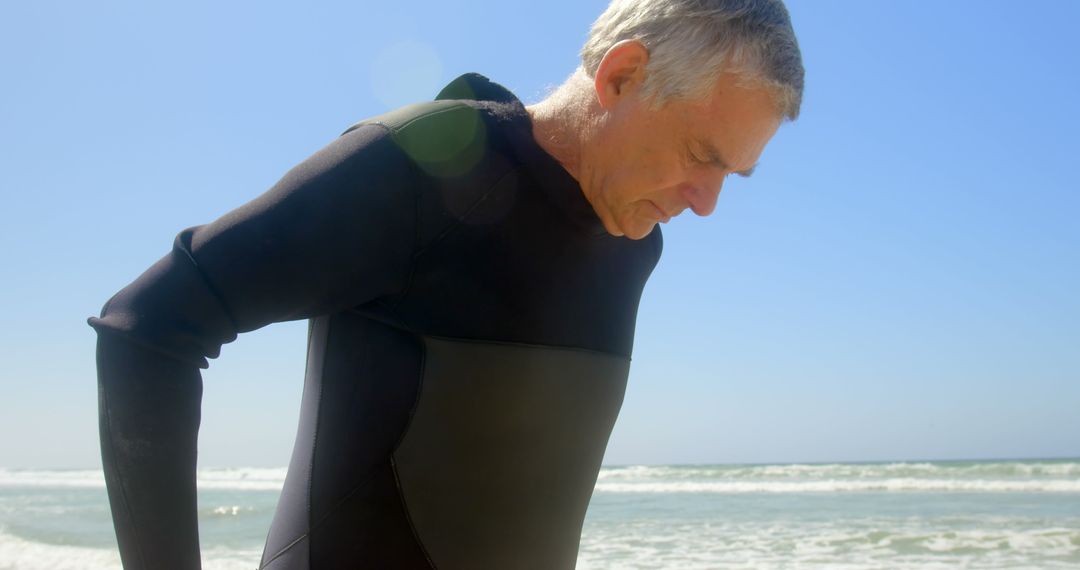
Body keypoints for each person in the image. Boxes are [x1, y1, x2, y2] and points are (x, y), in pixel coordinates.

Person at [87, 0, 803, 568]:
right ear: (622, 75)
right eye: (700, 155)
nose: (707, 202)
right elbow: (148, 326)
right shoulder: (416, 168)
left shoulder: (633, 247)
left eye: (730, 175)